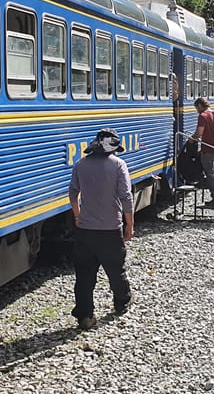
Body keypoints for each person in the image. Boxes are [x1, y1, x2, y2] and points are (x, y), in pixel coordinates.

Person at [68, 128, 135, 331]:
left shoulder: (81, 164)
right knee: (116, 270)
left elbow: (72, 192)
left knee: (84, 275)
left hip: (86, 230)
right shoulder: (118, 165)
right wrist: (129, 224)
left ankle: (85, 315)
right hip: (110, 229)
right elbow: (126, 196)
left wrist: (78, 215)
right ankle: (122, 301)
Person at [191, 97, 214, 208]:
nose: (197, 111)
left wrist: (191, 139)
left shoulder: (203, 116)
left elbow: (199, 133)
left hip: (207, 150)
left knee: (210, 175)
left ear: (199, 106)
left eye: (196, 108)